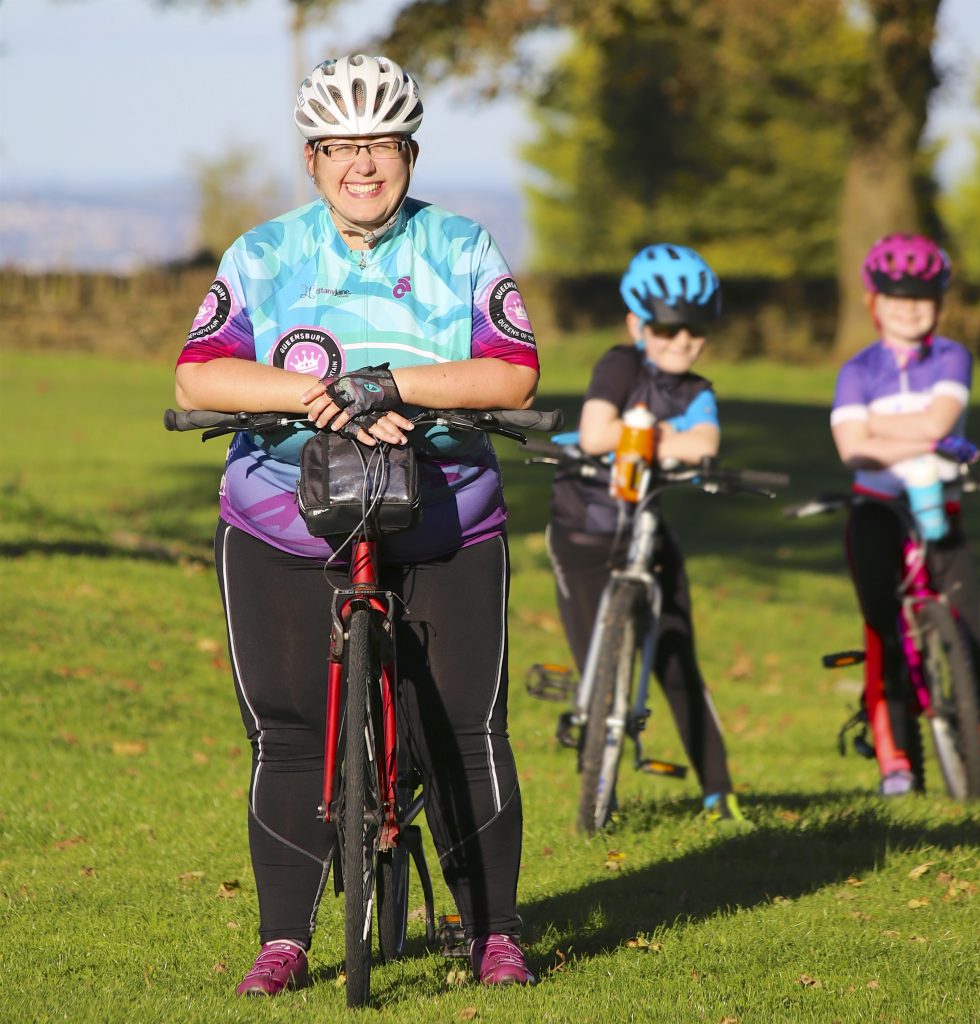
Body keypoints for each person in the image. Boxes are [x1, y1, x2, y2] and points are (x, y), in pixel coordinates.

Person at [174, 54, 540, 995]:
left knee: (467, 726)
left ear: (409, 152)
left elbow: (512, 372)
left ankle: (493, 930)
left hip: (445, 515)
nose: (361, 165)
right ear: (312, 160)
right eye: (340, 146)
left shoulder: (462, 247)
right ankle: (285, 940)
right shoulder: (262, 254)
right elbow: (198, 376)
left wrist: (395, 385)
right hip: (280, 517)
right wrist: (318, 395)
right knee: (291, 732)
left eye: (379, 143)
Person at [545, 243, 746, 823]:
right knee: (596, 671)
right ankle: (597, 781)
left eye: (696, 329)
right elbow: (593, 432)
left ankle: (717, 789)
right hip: (584, 534)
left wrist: (640, 434)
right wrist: (660, 439)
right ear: (638, 324)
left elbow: (703, 447)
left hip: (647, 537)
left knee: (678, 659)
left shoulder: (697, 391)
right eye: (666, 327)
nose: (682, 340)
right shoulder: (619, 364)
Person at [830, 233, 980, 799]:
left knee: (970, 636)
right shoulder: (856, 370)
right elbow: (853, 450)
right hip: (876, 513)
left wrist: (883, 431)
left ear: (940, 304)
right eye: (896, 296)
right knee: (884, 636)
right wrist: (926, 435)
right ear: (872, 301)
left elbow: (936, 423)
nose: (909, 307)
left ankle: (974, 756)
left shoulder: (953, 357)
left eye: (923, 298)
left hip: (941, 512)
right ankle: (895, 759)